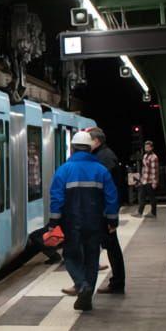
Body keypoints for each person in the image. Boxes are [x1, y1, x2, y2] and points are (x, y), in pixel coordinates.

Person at [49, 130, 119, 311]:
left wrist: (54, 222)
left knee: (71, 256)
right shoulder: (101, 170)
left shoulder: (64, 170)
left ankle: (82, 285)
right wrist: (112, 220)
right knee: (92, 257)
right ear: (90, 149)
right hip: (96, 223)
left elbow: (56, 198)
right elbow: (111, 197)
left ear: (72, 149)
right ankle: (87, 297)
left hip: (71, 223)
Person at [87, 127, 126, 294]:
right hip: (104, 211)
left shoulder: (104, 158)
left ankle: (117, 282)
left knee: (111, 247)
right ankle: (116, 281)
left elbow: (110, 190)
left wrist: (111, 217)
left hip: (103, 212)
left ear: (96, 141)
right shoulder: (104, 155)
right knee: (111, 247)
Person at [137, 140, 159, 217]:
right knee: (142, 196)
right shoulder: (145, 156)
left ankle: (153, 213)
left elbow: (154, 171)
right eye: (145, 147)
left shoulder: (154, 157)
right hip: (144, 180)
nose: (146, 148)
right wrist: (141, 179)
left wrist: (154, 182)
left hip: (150, 181)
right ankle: (140, 212)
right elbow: (144, 169)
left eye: (148, 147)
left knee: (152, 197)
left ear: (151, 148)